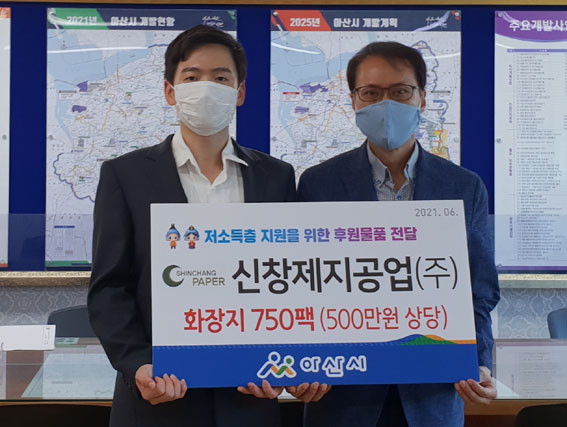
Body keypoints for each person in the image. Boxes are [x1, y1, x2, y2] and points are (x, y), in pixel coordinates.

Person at [88, 25, 297, 426]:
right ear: (171, 91)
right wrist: (138, 363)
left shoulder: (276, 176)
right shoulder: (125, 176)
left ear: (240, 92)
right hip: (158, 398)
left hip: (249, 398)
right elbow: (109, 287)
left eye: (221, 78)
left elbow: (289, 279)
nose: (206, 88)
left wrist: (286, 363)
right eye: (192, 77)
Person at [297, 41, 500, 427]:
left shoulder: (464, 187)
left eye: (400, 91)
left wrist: (478, 362)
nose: (385, 104)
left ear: (422, 97)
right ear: (354, 101)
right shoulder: (318, 184)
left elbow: (479, 291)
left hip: (432, 394)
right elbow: (304, 286)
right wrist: (303, 364)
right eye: (371, 93)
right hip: (342, 397)